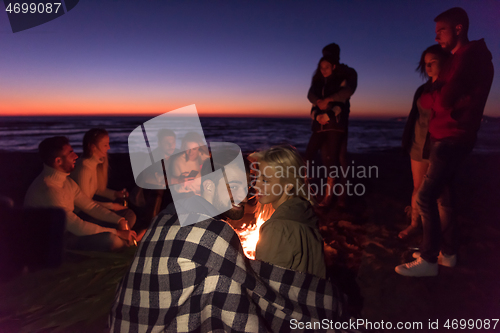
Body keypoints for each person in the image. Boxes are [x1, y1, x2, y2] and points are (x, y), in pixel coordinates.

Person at [110, 148, 345, 332]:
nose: (247, 193)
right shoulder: (214, 233)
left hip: (123, 323)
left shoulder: (167, 214)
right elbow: (260, 294)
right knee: (227, 290)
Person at [396, 7, 494, 276]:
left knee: (426, 196)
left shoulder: (471, 56)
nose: (436, 36)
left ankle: (428, 260)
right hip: (449, 134)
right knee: (443, 197)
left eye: (441, 30)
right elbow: (443, 97)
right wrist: (439, 97)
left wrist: (434, 98)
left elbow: (445, 99)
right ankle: (447, 254)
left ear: (459, 28)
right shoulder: (461, 57)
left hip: (452, 136)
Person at [25, 136, 137, 252]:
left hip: (73, 228)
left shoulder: (67, 181)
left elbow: (91, 206)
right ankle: (127, 241)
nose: (76, 156)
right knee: (112, 240)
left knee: (126, 217)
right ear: (58, 161)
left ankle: (125, 237)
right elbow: (78, 227)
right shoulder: (48, 190)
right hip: (59, 239)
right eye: (70, 153)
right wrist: (117, 232)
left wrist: (119, 221)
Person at [399, 45, 450, 239]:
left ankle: (438, 231)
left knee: (438, 193)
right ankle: (414, 223)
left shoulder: (448, 87)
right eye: (425, 63)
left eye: (432, 63)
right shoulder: (423, 89)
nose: (428, 67)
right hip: (418, 144)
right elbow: (415, 116)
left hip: (437, 145)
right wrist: (407, 140)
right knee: (417, 187)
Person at [252, 145, 326, 279]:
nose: (256, 185)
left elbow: (264, 287)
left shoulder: (278, 228)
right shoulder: (304, 213)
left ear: (289, 184)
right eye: (257, 177)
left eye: (265, 180)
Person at [305, 44, 357, 207]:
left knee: (338, 157)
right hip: (321, 124)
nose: (324, 68)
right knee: (318, 156)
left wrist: (329, 105)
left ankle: (340, 196)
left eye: (330, 56)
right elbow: (311, 95)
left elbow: (345, 95)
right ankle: (312, 189)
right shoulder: (319, 80)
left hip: (338, 122)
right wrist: (317, 108)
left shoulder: (346, 73)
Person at [71, 128, 137, 228]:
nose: (109, 147)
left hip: (88, 210)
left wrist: (115, 194)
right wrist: (112, 206)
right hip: (81, 214)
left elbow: (96, 189)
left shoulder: (92, 164)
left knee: (125, 208)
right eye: (105, 145)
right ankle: (121, 238)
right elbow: (85, 204)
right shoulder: (84, 169)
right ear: (93, 147)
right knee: (128, 215)